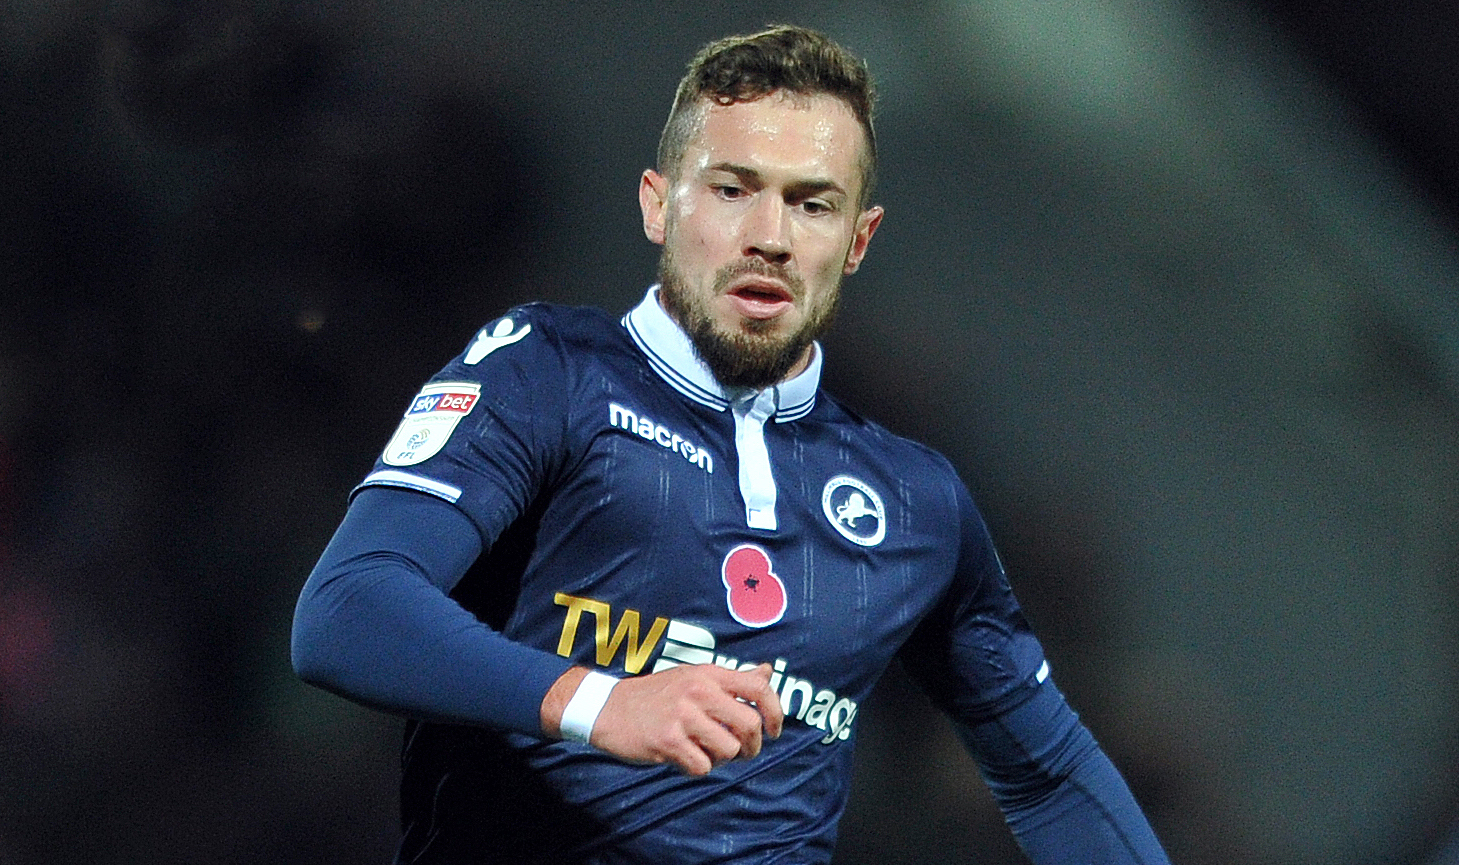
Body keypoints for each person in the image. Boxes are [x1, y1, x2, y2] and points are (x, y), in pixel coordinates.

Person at [292, 24, 1172, 865]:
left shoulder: (917, 502)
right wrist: (600, 702)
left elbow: (1051, 774)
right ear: (657, 204)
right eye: (731, 189)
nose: (770, 237)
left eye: (811, 204)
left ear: (858, 239)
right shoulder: (548, 373)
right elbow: (346, 609)